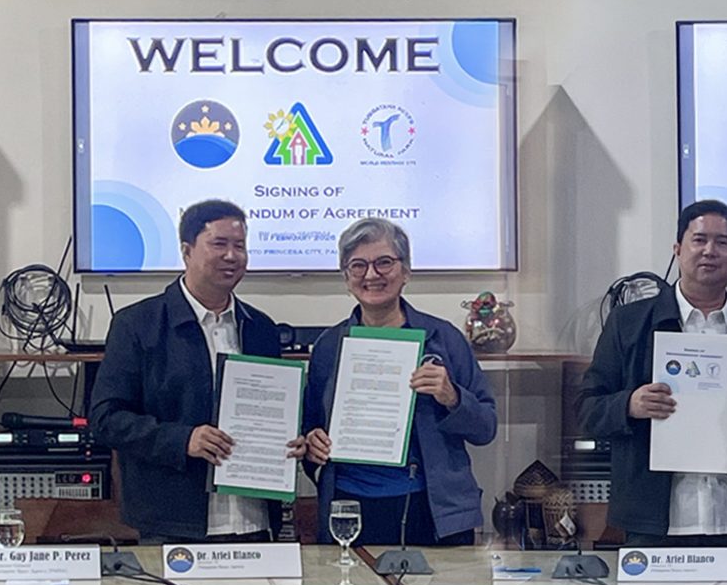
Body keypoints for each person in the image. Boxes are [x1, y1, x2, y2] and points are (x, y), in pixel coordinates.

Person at [577, 199, 727, 548]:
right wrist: (629, 404)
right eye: (699, 239)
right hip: (653, 523)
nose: (710, 251)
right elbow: (587, 410)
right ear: (678, 249)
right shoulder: (628, 324)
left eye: (723, 242)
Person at [90, 199, 305, 543]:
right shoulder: (138, 324)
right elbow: (105, 419)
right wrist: (183, 439)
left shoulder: (260, 328)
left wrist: (294, 440)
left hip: (254, 522)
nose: (232, 256)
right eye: (219, 244)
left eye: (240, 246)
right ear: (187, 251)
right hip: (173, 526)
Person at [302, 218, 497, 546]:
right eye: (358, 265)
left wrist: (451, 396)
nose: (371, 274)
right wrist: (313, 443)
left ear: (406, 271)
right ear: (346, 277)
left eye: (384, 262)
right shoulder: (328, 346)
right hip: (349, 507)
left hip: (432, 510)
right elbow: (309, 430)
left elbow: (486, 428)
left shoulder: (444, 339)